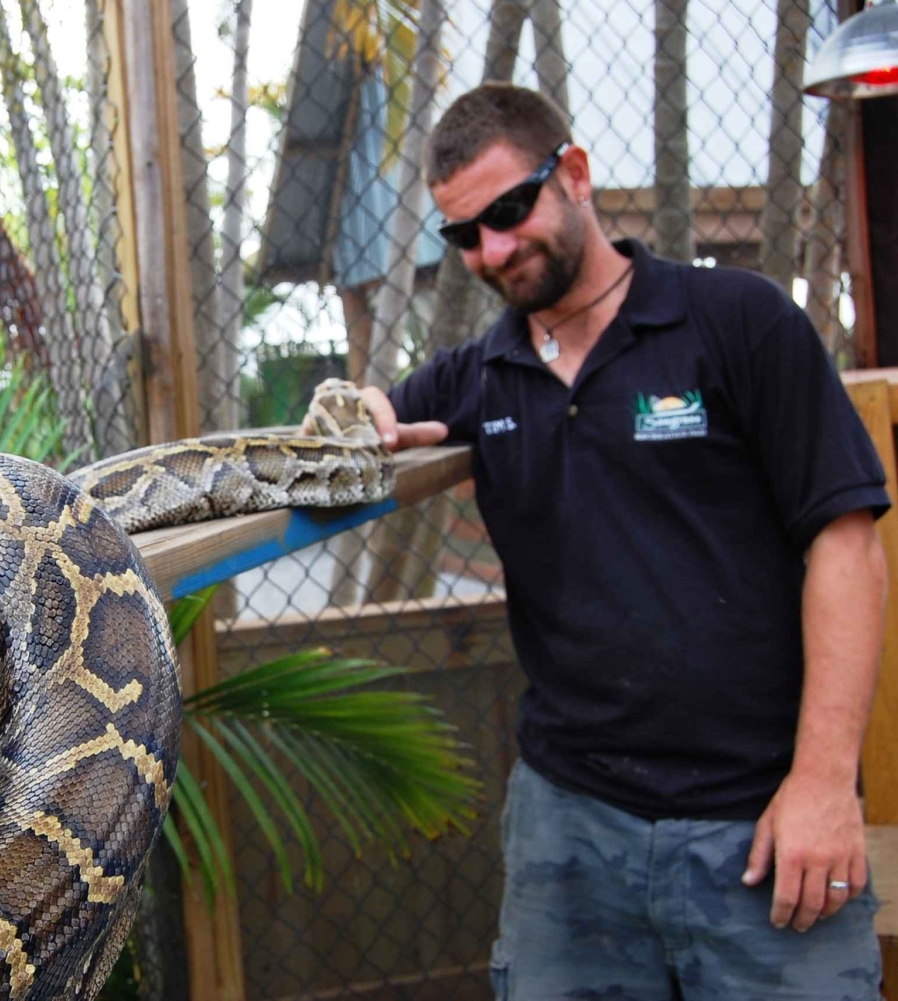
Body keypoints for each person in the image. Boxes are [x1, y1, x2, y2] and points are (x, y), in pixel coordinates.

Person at [359, 82, 890, 999]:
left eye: (509, 212)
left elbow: (848, 545)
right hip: (570, 826)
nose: (491, 250)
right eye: (463, 236)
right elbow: (371, 413)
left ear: (574, 174)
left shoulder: (738, 322)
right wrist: (362, 411)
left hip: (761, 819)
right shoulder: (486, 375)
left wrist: (823, 782)